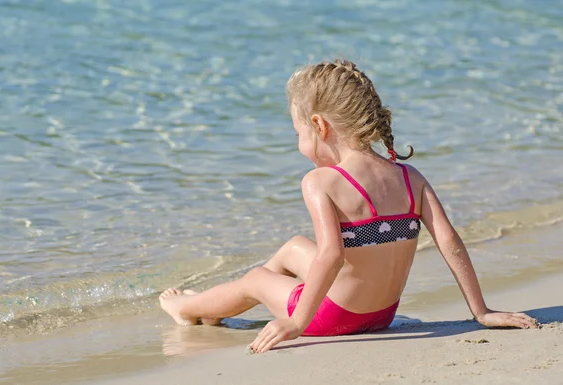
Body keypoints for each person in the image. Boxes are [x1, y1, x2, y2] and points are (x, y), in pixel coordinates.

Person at [159, 59, 538, 354]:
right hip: (381, 314)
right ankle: (216, 309)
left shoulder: (321, 182)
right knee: (292, 247)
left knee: (257, 278)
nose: (299, 145)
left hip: (332, 318)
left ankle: (189, 310)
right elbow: (449, 240)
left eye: (298, 134)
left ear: (319, 126)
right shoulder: (409, 177)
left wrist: (296, 322)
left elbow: (332, 255)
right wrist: (481, 311)